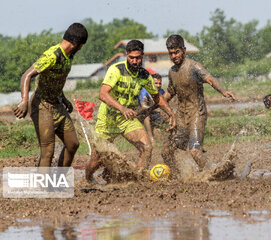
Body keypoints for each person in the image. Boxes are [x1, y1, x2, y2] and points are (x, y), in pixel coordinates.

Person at [85, 40, 176, 182]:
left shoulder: (144, 75)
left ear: (142, 56)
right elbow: (102, 94)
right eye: (131, 57)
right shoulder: (116, 69)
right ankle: (88, 178)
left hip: (127, 120)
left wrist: (171, 113)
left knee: (147, 147)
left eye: (138, 58)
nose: (135, 61)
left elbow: (157, 97)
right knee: (96, 160)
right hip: (107, 120)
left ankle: (136, 180)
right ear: (126, 55)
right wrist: (122, 108)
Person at [13, 23, 88, 167]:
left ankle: (57, 183)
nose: (80, 48)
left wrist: (64, 98)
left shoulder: (68, 56)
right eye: (80, 45)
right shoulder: (52, 55)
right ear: (75, 44)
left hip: (57, 104)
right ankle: (43, 188)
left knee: (73, 144)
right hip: (42, 106)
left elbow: (55, 79)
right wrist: (24, 101)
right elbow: (27, 75)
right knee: (48, 151)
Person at [162, 34, 236, 176]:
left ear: (183, 50)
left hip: (197, 113)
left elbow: (210, 79)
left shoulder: (194, 66)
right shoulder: (172, 71)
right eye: (170, 53)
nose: (173, 56)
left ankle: (213, 174)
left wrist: (223, 91)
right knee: (166, 151)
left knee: (195, 151)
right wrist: (156, 103)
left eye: (176, 52)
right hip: (181, 116)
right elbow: (170, 92)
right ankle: (176, 177)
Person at [138, 73, 166, 143]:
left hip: (155, 114)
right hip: (141, 114)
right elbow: (143, 107)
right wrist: (158, 110)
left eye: (160, 83)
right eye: (156, 83)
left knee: (169, 115)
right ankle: (151, 138)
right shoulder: (144, 91)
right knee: (146, 115)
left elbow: (165, 105)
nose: (158, 85)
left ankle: (164, 137)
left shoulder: (162, 91)